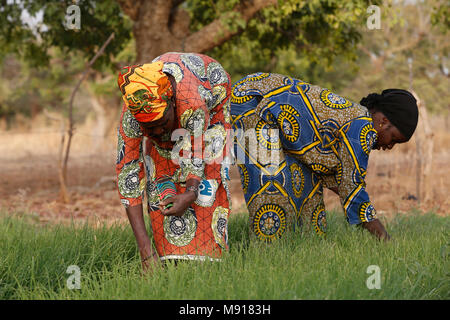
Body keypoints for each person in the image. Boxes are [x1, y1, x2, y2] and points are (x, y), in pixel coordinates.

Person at [230, 72, 418, 242]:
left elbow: (345, 184)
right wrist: (385, 239)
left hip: (273, 116)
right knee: (271, 183)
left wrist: (354, 196)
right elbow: (352, 188)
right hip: (252, 101)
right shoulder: (362, 129)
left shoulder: (357, 122)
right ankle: (268, 255)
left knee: (306, 188)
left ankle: (301, 248)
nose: (389, 146)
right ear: (383, 121)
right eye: (393, 138)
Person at [116, 52, 233, 272]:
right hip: (178, 107)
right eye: (149, 129)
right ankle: (163, 259)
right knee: (159, 170)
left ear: (171, 103)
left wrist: (190, 193)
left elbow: (197, 155)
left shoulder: (192, 102)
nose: (159, 131)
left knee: (209, 173)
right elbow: (128, 173)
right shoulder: (134, 111)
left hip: (213, 95)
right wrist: (145, 251)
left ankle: (211, 262)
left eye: (162, 123)